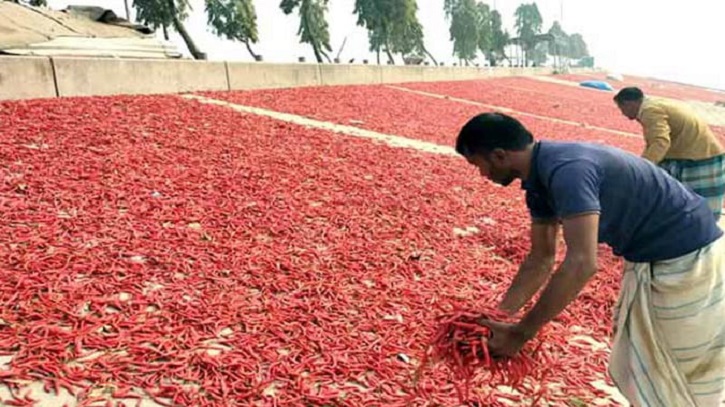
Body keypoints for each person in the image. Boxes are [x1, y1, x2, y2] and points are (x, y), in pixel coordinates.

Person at [455, 112, 725, 406]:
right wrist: (498, 317)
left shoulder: (569, 170)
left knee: (681, 358)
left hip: (689, 254)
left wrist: (522, 333)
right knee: (646, 356)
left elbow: (582, 263)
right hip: (652, 253)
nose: (481, 174)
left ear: (499, 155)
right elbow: (541, 259)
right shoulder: (538, 183)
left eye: (477, 165)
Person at [614, 86, 725, 220]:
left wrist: (643, 168)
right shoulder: (657, 103)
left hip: (699, 157)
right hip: (697, 152)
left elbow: (660, 142)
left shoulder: (650, 110)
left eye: (622, 109)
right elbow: (655, 144)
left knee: (696, 207)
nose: (623, 114)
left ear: (628, 103)